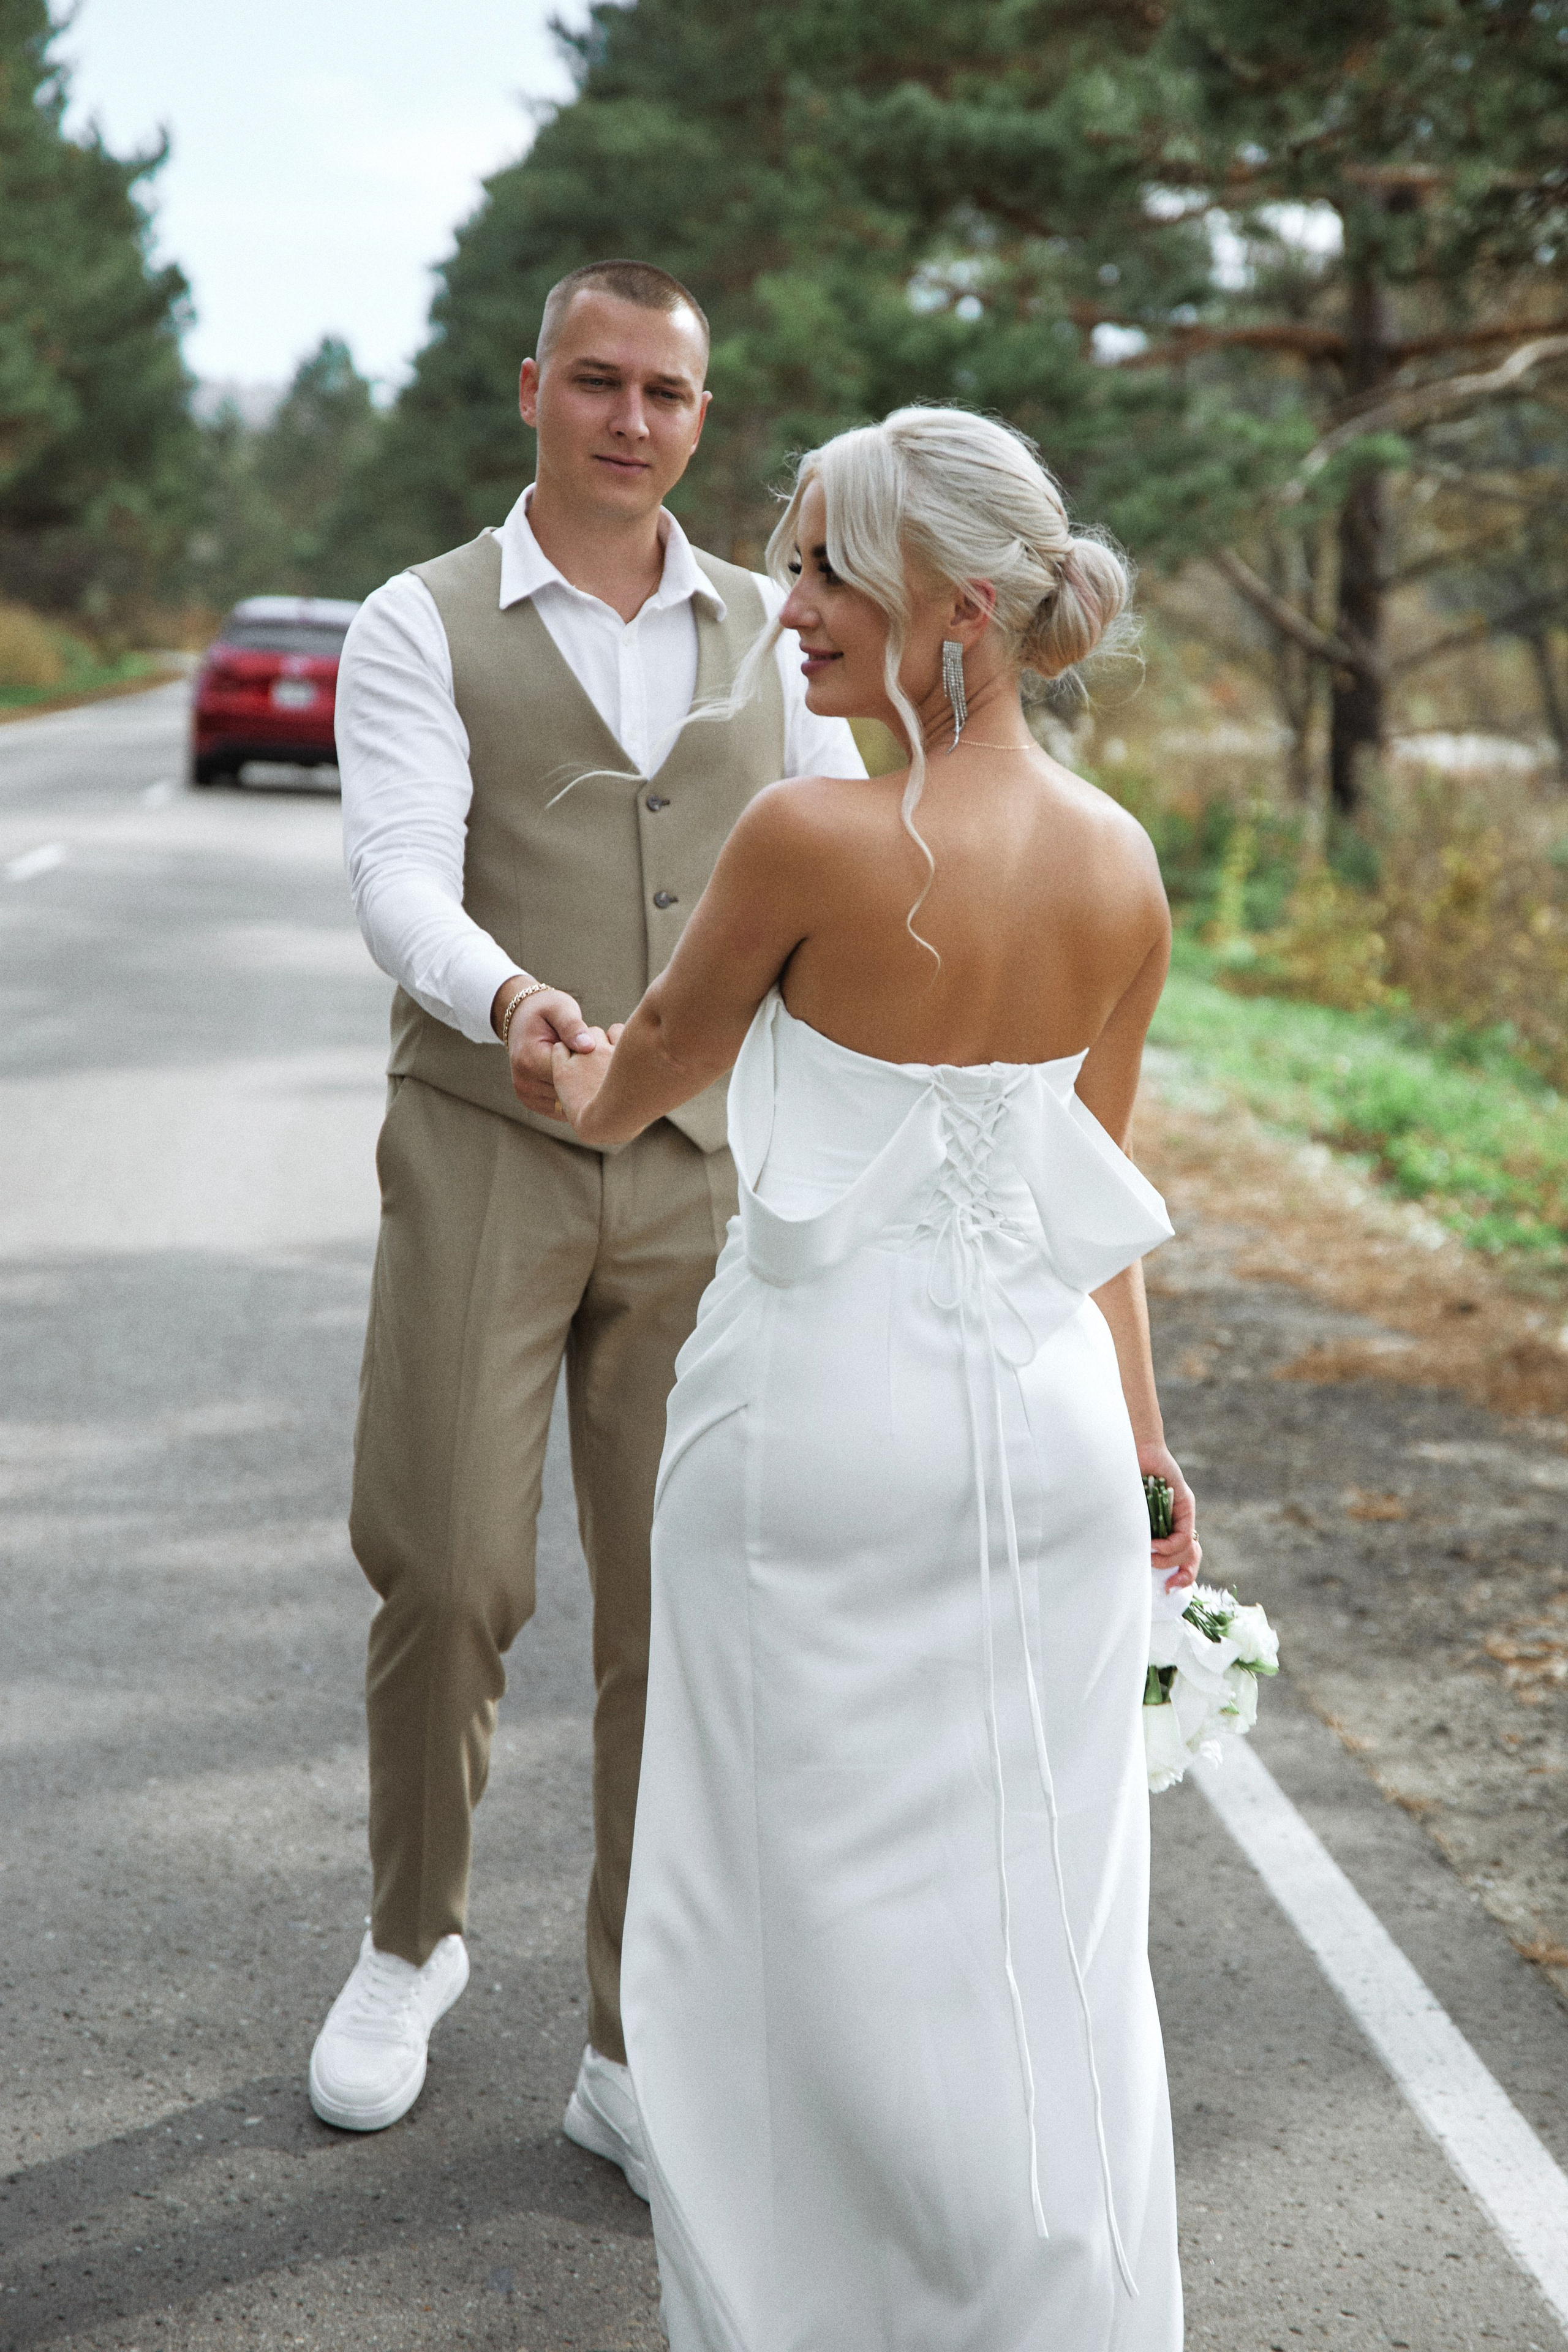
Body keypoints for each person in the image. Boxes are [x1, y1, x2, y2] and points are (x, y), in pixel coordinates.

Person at [550, 405, 1200, 2348]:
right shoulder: (1123, 862)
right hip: (1052, 1448)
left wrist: (549, 1049)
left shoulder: (810, 835)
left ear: (964, 610)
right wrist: (1155, 1470)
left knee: (772, 1926)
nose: (792, 605)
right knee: (1048, 1934)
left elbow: (630, 1085)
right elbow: (1098, 1205)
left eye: (832, 569)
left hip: (814, 1438)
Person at [308, 260, 865, 2177]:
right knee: (451, 1567)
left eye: (674, 395)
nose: (637, 419)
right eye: (601, 382)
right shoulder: (418, 621)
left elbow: (857, 847)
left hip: (710, 1173)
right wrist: (518, 1003)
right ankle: (411, 1939)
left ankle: (631, 2034)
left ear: (705, 420)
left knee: (678, 1612)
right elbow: (395, 870)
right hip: (489, 1136)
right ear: (534, 389)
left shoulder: (774, 636)